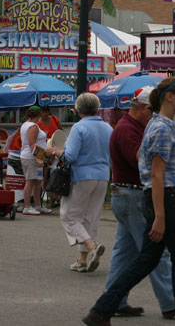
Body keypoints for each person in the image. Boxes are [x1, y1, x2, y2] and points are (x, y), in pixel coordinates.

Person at [83, 77, 175, 326]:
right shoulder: (160, 128)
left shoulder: (158, 125)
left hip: (161, 196)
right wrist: (160, 215)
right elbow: (157, 174)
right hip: (166, 198)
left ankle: (103, 309)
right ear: (170, 96)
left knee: (146, 258)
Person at [103, 86, 175, 319]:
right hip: (133, 195)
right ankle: (171, 302)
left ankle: (113, 300)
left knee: (123, 253)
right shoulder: (128, 130)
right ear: (142, 108)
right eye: (152, 111)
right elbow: (142, 161)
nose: (155, 116)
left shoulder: (130, 127)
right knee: (155, 250)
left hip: (125, 194)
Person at [46, 93, 112, 273]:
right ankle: (83, 260)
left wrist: (54, 151)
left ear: (78, 110)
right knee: (90, 217)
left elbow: (70, 156)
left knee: (69, 216)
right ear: (97, 109)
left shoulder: (78, 127)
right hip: (103, 176)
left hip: (82, 176)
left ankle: (92, 247)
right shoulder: (107, 128)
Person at [19, 106, 51, 216]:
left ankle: (38, 206)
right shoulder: (33, 126)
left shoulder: (26, 125)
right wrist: (38, 158)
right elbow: (32, 143)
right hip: (32, 158)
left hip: (32, 157)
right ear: (38, 115)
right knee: (30, 181)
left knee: (38, 182)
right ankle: (27, 207)